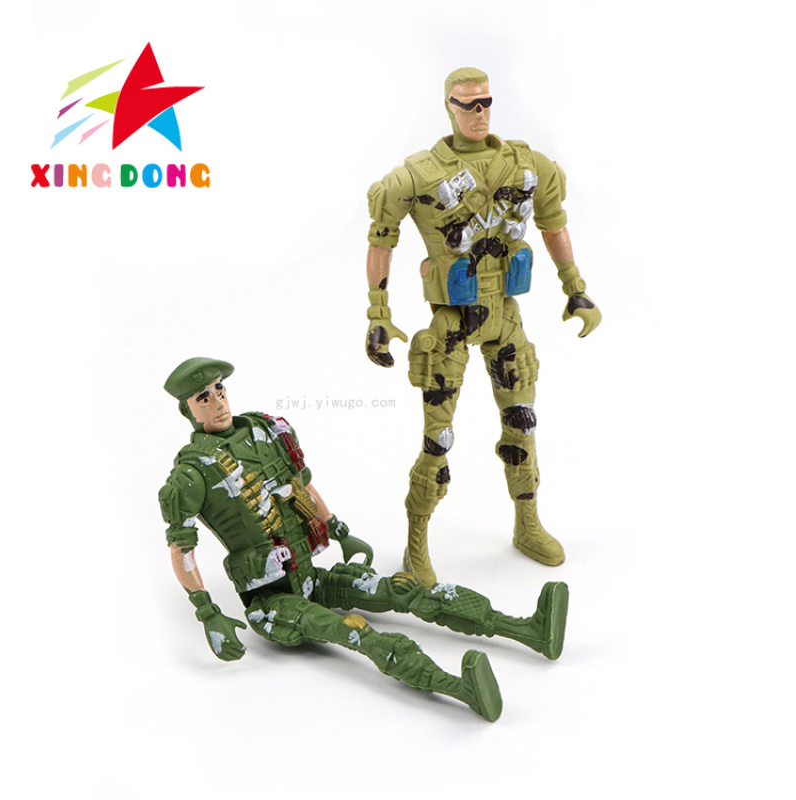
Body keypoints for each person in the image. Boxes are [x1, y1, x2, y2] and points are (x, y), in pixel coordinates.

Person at [159, 357, 569, 721]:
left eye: (219, 389)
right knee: (359, 632)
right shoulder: (192, 473)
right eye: (203, 398)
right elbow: (181, 549)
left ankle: (526, 629)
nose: (217, 402)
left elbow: (302, 487)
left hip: (309, 574)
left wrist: (338, 529)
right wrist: (208, 613)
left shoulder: (264, 431)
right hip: (272, 602)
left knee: (405, 590)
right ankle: (461, 689)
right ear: (188, 410)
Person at [365, 67, 602, 586]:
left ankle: (527, 523)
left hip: (505, 314)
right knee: (439, 438)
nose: (479, 113)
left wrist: (575, 287)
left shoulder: (528, 165)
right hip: (451, 321)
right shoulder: (416, 175)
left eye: (485, 102)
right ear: (448, 106)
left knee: (523, 423)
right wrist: (378, 315)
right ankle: (417, 547)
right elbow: (382, 240)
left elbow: (554, 224)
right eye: (467, 104)